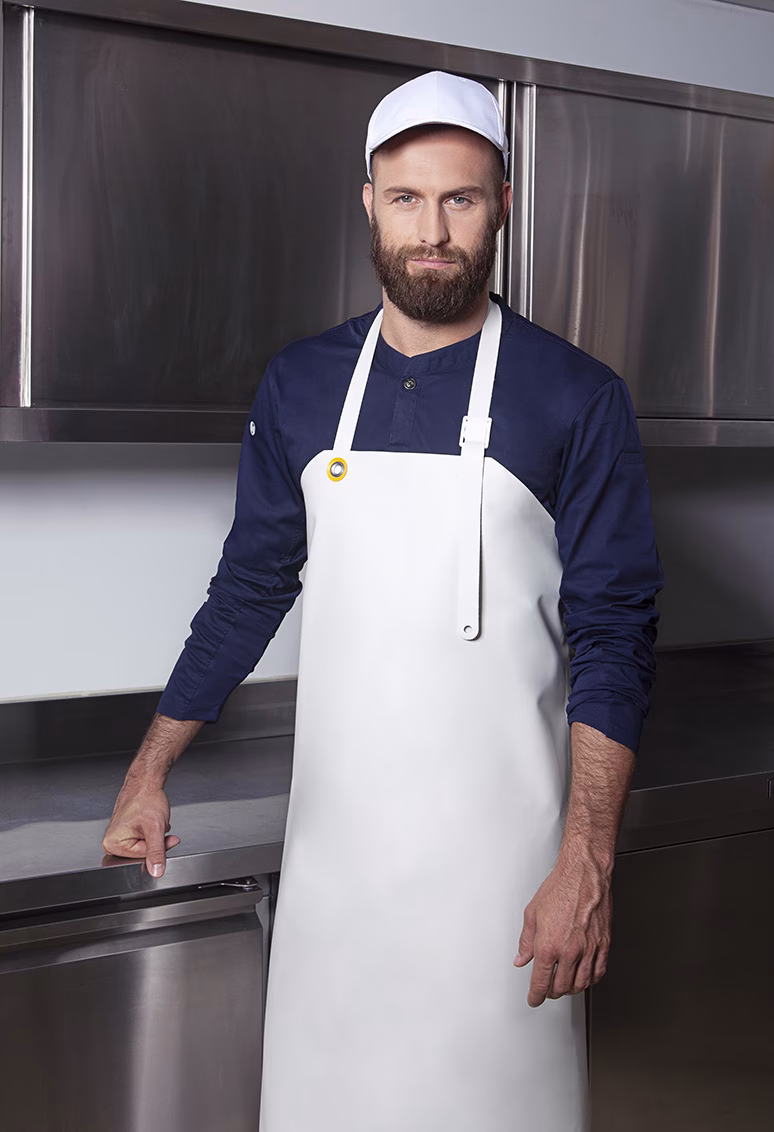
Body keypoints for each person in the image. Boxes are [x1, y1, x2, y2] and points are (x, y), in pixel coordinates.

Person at [103, 70, 663, 1132]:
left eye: (460, 199)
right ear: (369, 203)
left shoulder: (576, 396)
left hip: (507, 887)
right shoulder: (300, 384)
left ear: (502, 205)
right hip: (336, 882)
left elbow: (615, 633)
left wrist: (585, 861)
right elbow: (248, 587)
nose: (432, 232)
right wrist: (149, 771)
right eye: (406, 199)